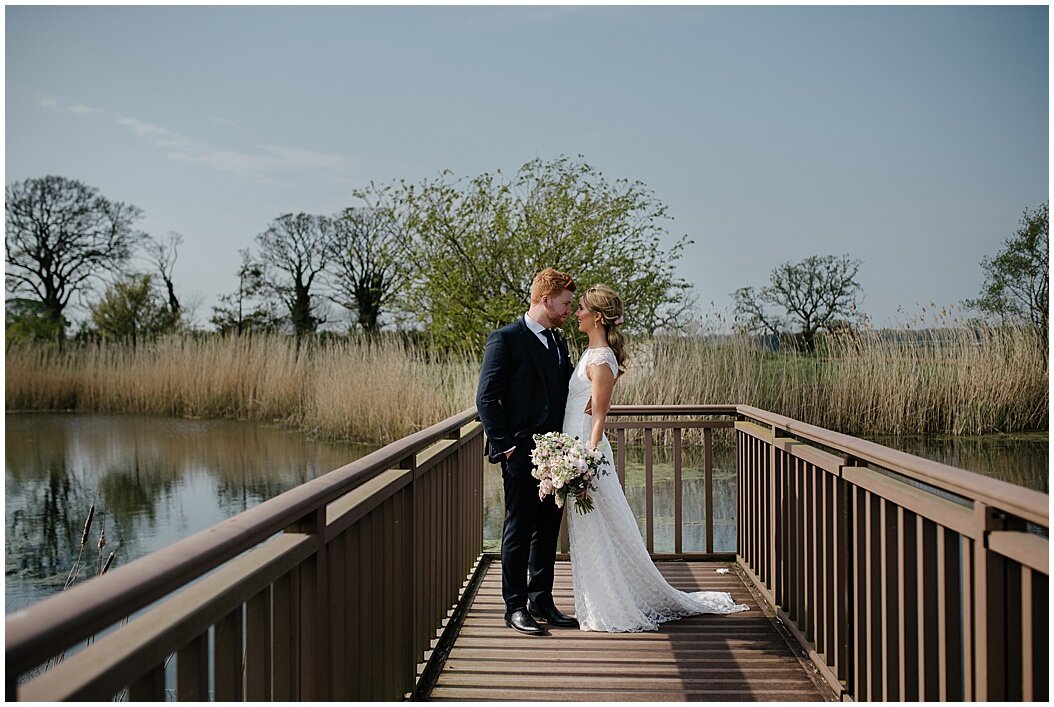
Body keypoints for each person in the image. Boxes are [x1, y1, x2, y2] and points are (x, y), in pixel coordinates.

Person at [564, 284, 749, 632]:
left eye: (583, 308)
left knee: (600, 526)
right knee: (591, 527)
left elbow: (600, 416)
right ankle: (596, 599)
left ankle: (612, 604)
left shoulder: (602, 359)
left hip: (586, 454)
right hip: (573, 447)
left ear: (598, 317)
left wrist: (586, 459)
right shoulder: (591, 353)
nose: (577, 313)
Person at [475, 268, 580, 636]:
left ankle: (542, 600)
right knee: (519, 529)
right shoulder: (505, 339)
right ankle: (514, 607)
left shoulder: (558, 341)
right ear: (546, 298)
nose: (568, 310)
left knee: (548, 530)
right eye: (565, 303)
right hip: (520, 455)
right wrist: (506, 449)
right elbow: (486, 398)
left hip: (558, 457)